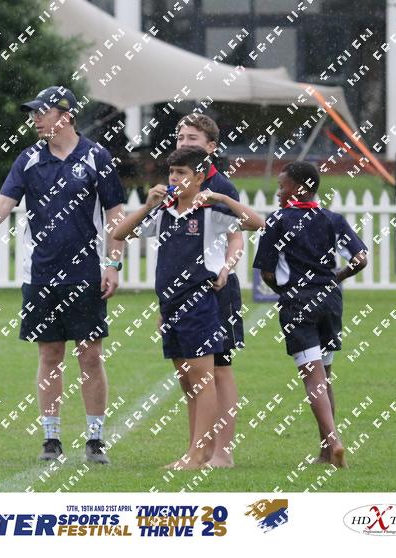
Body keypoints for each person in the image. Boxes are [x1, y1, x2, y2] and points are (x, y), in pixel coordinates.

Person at [0, 86, 125, 463]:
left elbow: (115, 215)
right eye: (32, 113)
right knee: (50, 354)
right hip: (40, 275)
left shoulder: (97, 157)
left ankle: (95, 440)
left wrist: (113, 264)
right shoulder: (29, 159)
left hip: (85, 273)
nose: (34, 119)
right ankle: (51, 439)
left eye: (42, 112)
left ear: (66, 116)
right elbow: (4, 202)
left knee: (90, 356)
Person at [112, 147, 264, 469]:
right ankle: (197, 451)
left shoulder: (210, 212)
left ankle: (197, 455)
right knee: (187, 382)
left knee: (202, 379)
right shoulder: (163, 212)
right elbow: (119, 233)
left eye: (181, 173)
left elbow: (256, 223)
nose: (174, 178)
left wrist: (222, 198)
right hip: (169, 306)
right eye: (171, 172)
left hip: (199, 303)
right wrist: (147, 206)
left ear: (198, 177)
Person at [253, 161, 367, 468]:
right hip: (330, 301)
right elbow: (360, 259)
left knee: (312, 378)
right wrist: (335, 278)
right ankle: (326, 452)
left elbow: (266, 273)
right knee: (325, 376)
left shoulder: (277, 221)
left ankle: (334, 442)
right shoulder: (332, 219)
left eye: (283, 186)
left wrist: (285, 291)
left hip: (298, 303)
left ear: (300, 188)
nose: (278, 193)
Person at [176, 112, 244, 467]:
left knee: (219, 367)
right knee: (190, 372)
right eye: (181, 137)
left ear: (211, 146)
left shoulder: (221, 187)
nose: (184, 143)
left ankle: (222, 452)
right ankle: (197, 450)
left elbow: (236, 237)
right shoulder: (177, 183)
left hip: (215, 289)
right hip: (183, 292)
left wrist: (225, 270)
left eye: (193, 138)